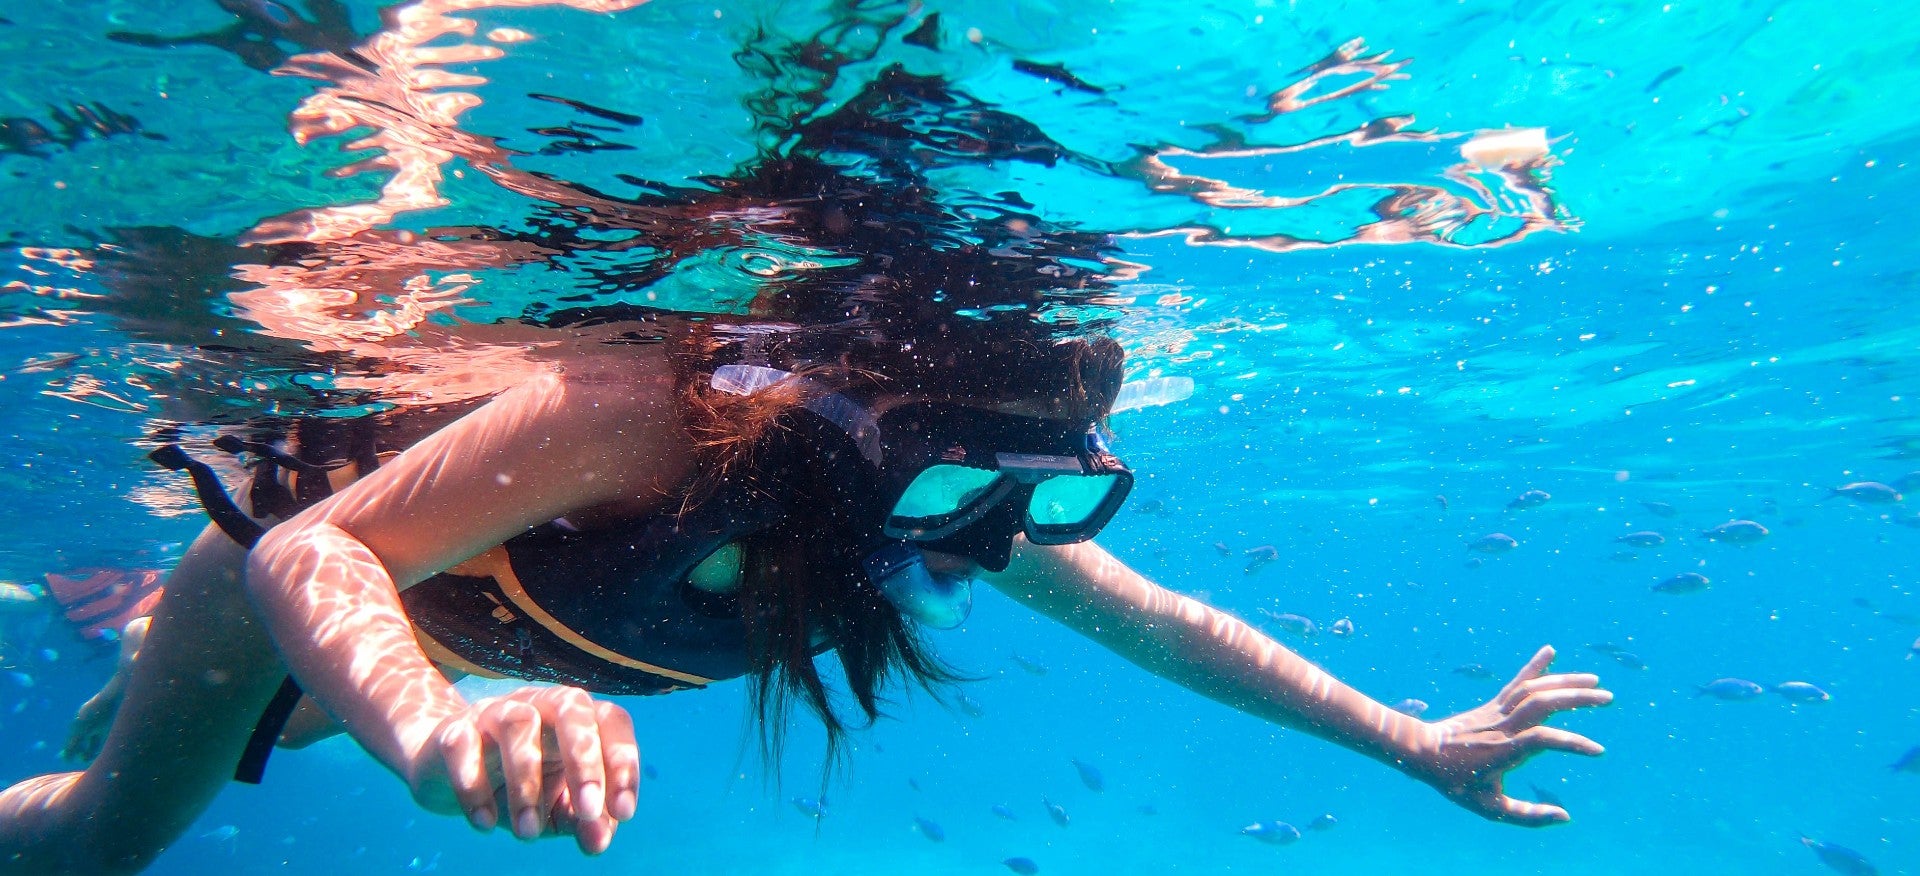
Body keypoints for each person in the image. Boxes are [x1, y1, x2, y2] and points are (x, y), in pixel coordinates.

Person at [0, 36, 1608, 876]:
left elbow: (1176, 625)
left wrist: (1414, 741)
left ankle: (132, 679)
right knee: (96, 842)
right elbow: (315, 557)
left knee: (169, 718)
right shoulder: (638, 410)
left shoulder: (963, 486)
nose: (992, 534)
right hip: (346, 603)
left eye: (1045, 498)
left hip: (493, 629)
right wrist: (440, 725)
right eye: (960, 489)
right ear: (851, 426)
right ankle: (145, 678)